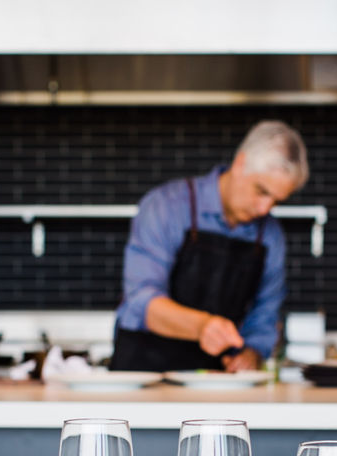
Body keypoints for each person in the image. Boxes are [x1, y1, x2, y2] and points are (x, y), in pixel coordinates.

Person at [109, 120, 309, 372]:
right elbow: (142, 300)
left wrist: (253, 353)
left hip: (216, 383)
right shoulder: (166, 206)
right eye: (261, 191)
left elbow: (265, 315)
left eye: (277, 201)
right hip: (144, 373)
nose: (265, 209)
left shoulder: (271, 236)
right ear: (240, 163)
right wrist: (202, 326)